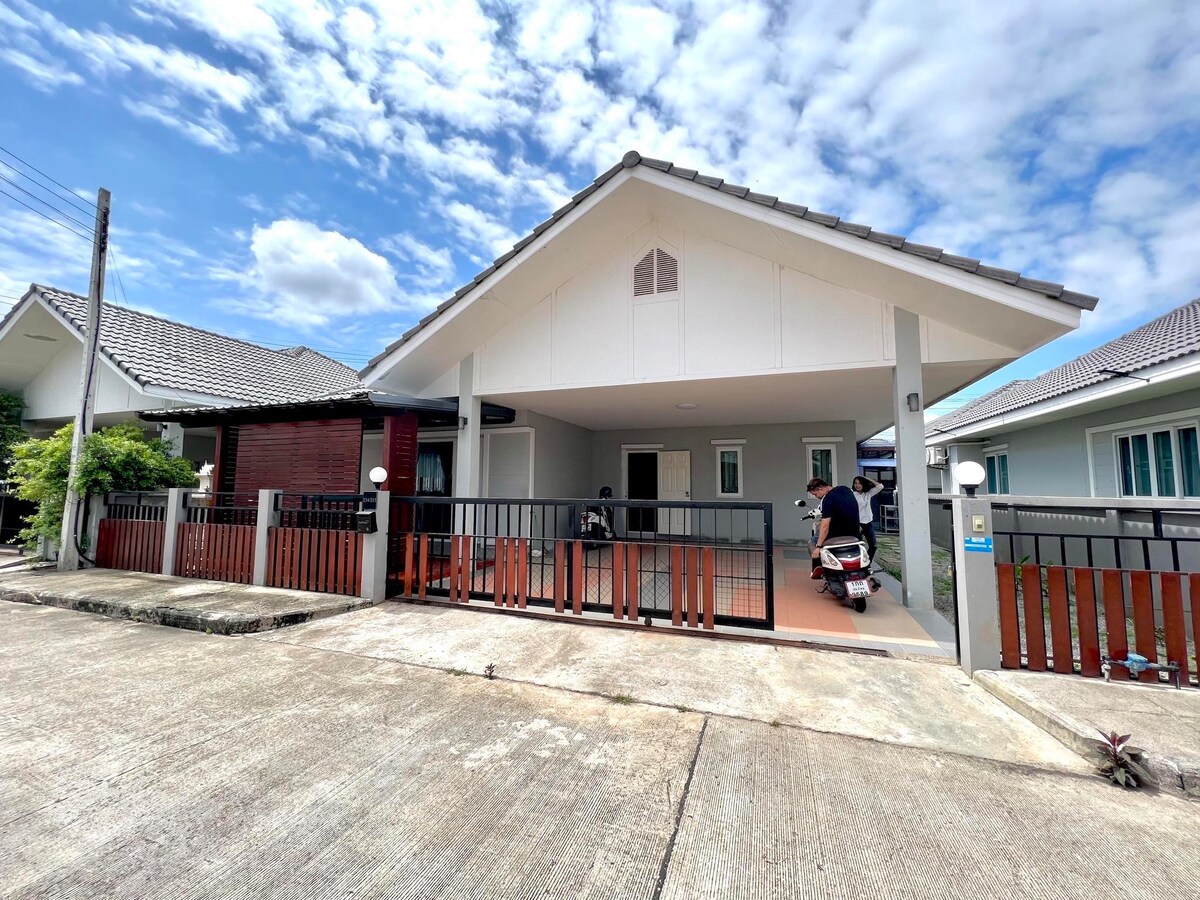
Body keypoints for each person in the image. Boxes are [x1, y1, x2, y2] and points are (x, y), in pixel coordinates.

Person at [806, 477, 860, 579]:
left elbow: (825, 525)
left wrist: (818, 547)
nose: (817, 497)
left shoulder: (827, 499)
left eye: (815, 494)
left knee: (812, 541)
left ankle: (817, 566)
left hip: (837, 533)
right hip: (855, 532)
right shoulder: (846, 489)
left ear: (820, 489)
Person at [851, 475, 884, 561]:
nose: (857, 485)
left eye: (860, 483)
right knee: (857, 546)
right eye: (855, 483)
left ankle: (867, 564)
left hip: (868, 523)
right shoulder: (852, 494)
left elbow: (880, 486)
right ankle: (857, 565)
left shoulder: (868, 493)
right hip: (857, 524)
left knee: (873, 546)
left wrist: (867, 478)